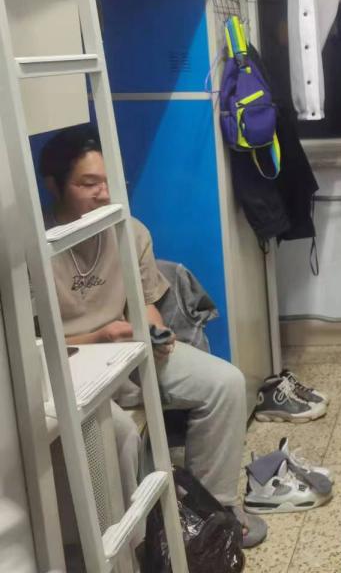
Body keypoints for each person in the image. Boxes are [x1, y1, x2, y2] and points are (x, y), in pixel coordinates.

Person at [38, 125, 267, 549]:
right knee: (118, 433)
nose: (104, 194)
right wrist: (100, 336)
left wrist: (153, 330)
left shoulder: (129, 231)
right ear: (54, 185)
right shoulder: (34, 250)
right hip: (68, 369)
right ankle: (137, 542)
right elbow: (28, 346)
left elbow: (144, 302)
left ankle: (210, 512)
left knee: (226, 384)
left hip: (127, 353)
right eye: (88, 184)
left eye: (109, 181)